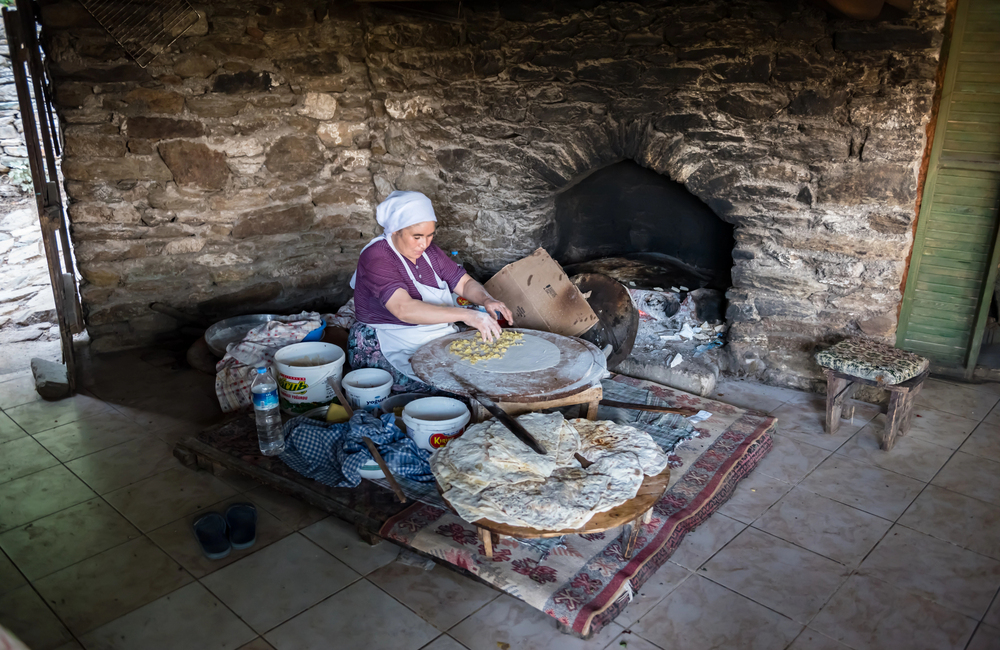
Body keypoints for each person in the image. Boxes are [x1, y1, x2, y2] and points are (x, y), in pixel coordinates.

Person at [348, 191, 514, 392]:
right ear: (395, 231)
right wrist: (468, 315)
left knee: (484, 373)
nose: (424, 244)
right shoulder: (377, 257)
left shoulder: (429, 252)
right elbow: (404, 309)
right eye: (417, 237)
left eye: (429, 235)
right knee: (450, 389)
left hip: (432, 336)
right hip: (389, 341)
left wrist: (487, 299)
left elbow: (463, 283)